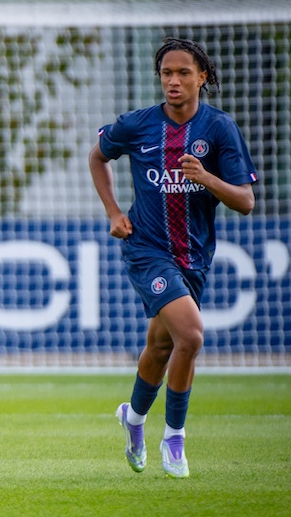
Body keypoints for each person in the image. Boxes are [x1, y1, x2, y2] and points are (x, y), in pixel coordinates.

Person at [89, 37, 257, 479]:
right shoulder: (139, 124)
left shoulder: (219, 129)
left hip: (195, 257)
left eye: (184, 73)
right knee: (192, 337)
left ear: (203, 77)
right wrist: (113, 211)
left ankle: (134, 420)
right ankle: (175, 438)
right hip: (147, 250)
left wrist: (206, 177)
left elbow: (245, 200)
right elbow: (97, 156)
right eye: (167, 73)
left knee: (161, 345)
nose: (174, 81)